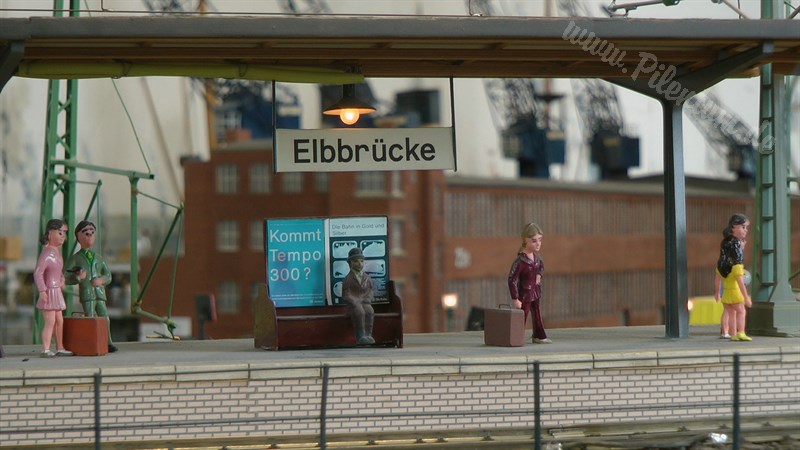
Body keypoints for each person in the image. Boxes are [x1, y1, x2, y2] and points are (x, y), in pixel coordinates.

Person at [65, 220, 118, 353]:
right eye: (86, 233)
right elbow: (66, 277)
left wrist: (101, 280)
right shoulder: (75, 258)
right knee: (90, 318)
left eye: (92, 233)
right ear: (78, 237)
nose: (89, 236)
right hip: (87, 294)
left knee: (105, 317)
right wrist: (78, 278)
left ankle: (108, 342)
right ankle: (92, 342)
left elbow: (108, 276)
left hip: (99, 293)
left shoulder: (99, 258)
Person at [33, 219, 73, 358]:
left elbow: (57, 271)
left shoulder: (55, 252)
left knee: (59, 321)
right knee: (50, 321)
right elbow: (38, 273)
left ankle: (60, 347)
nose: (63, 236)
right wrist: (42, 290)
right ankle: (45, 349)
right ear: (50, 233)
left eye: (64, 233)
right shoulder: (47, 253)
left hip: (56, 290)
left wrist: (61, 279)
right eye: (60, 233)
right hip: (49, 291)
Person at [508, 222, 549, 343]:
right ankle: (517, 338)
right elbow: (511, 279)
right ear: (525, 241)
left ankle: (539, 335)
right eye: (534, 241)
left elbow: (541, 266)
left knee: (537, 314)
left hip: (535, 291)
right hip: (525, 294)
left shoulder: (537, 257)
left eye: (540, 240)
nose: (538, 244)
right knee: (523, 316)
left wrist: (539, 274)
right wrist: (515, 298)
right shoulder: (520, 261)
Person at [714, 213, 752, 341]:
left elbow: (718, 275)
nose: (745, 230)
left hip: (727, 289)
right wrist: (746, 297)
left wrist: (717, 293)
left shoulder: (725, 243)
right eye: (743, 227)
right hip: (734, 289)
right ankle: (740, 332)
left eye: (746, 228)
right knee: (741, 311)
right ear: (734, 227)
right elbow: (739, 277)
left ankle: (730, 333)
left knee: (729, 311)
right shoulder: (736, 247)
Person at [341, 247, 375, 345]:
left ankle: (368, 334)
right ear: (350, 263)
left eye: (361, 261)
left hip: (364, 301)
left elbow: (370, 290)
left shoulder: (367, 278)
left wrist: (368, 297)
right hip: (355, 304)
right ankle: (360, 336)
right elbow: (345, 294)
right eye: (356, 261)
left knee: (369, 311)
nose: (359, 264)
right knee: (359, 312)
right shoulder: (348, 279)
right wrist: (354, 301)